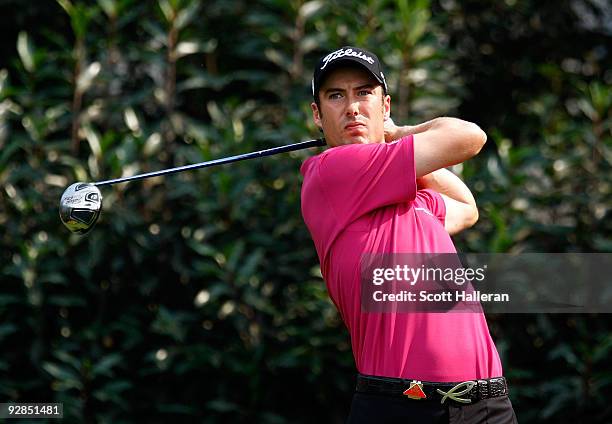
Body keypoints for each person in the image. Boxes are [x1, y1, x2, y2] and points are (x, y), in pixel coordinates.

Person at [300, 46, 518, 423]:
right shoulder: (332, 170)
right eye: (336, 96)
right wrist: (399, 133)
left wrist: (392, 142)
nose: (352, 107)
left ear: (384, 104)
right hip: (402, 407)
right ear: (318, 115)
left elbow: (466, 208)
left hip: (486, 404)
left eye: (364, 93)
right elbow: (468, 136)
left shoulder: (405, 197)